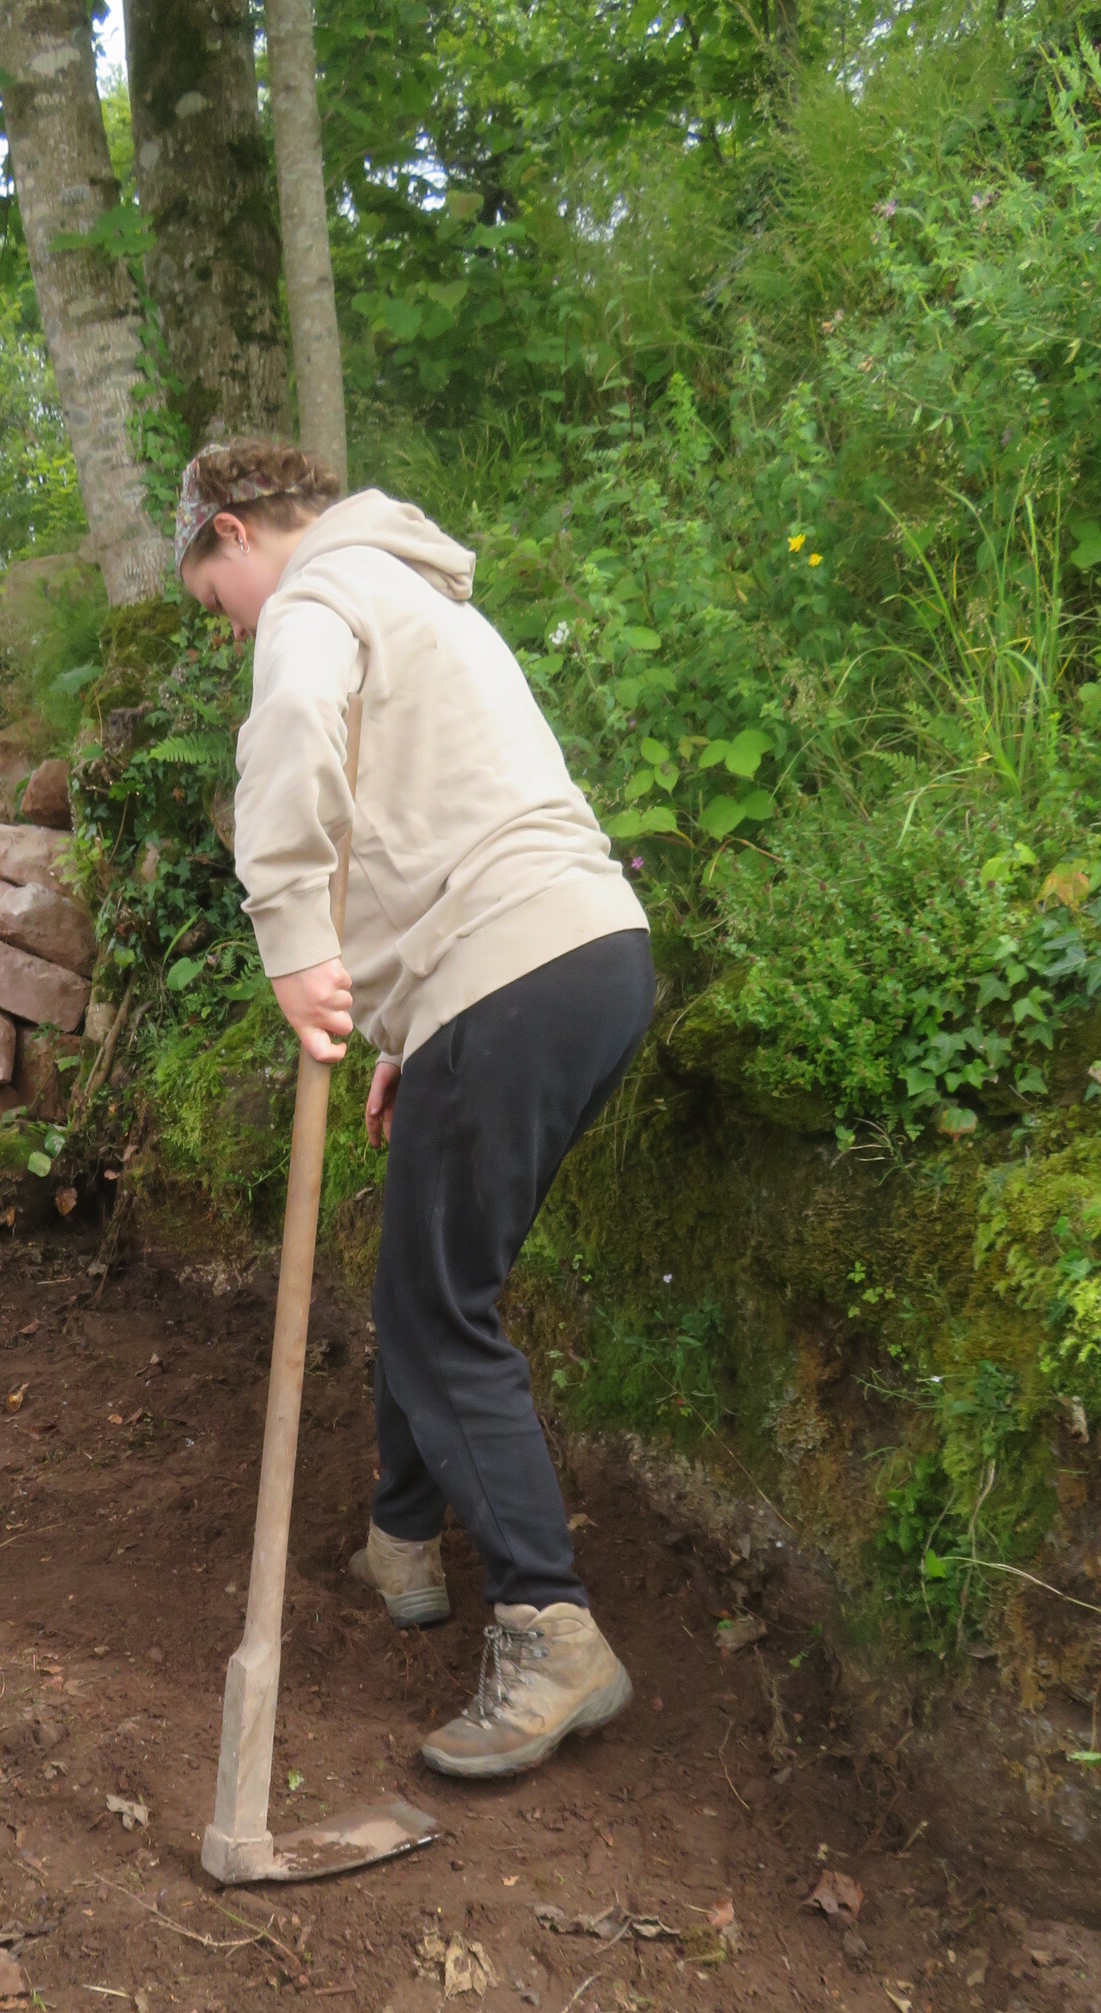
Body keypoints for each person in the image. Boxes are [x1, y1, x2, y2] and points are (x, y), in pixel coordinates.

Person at [176, 436, 655, 1780]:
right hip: (585, 956)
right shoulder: (421, 596)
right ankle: (402, 1539)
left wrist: (292, 942)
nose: (233, 628)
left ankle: (550, 1629)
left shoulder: (316, 597)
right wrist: (412, 1024)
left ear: (233, 533)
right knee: (426, 1271)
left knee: (439, 1311)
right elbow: (448, 819)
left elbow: (291, 741)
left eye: (216, 600)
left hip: (506, 969)